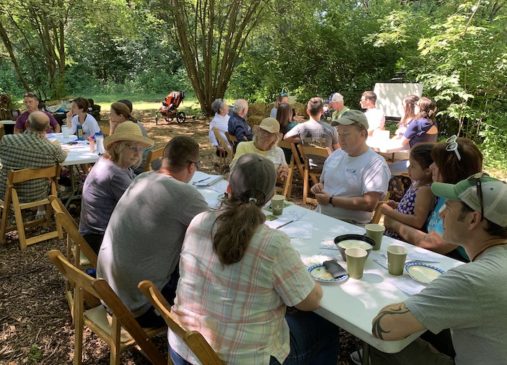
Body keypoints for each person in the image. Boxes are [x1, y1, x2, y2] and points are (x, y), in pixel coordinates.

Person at [169, 154, 339, 365]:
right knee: (326, 328)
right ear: (269, 197)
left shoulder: (199, 222)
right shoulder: (272, 243)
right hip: (237, 359)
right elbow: (309, 302)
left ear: (228, 188)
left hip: (184, 348)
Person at [370, 174, 507, 365]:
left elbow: (384, 326)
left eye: (449, 206)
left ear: (473, 219)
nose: (441, 213)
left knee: (380, 344)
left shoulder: (471, 279)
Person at [96, 136, 208, 327]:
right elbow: (217, 233)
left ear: (165, 160)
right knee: (203, 269)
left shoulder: (142, 178)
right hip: (139, 306)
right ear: (191, 167)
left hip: (107, 291)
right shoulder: (187, 195)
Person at [384, 136, 483, 262]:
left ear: (450, 170)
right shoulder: (443, 191)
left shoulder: (466, 202)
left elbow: (433, 244)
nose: (430, 167)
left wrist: (393, 223)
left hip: (455, 263)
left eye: (436, 163)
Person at [79, 121, 154, 253]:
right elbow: (139, 208)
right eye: (132, 148)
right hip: (100, 238)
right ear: (118, 147)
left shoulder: (111, 161)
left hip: (95, 231)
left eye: (140, 149)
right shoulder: (115, 173)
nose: (137, 154)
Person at [311, 110, 390, 224]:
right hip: (321, 216)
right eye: (339, 133)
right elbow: (323, 184)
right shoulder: (336, 155)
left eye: (346, 134)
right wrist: (318, 188)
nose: (341, 139)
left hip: (350, 226)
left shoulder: (374, 163)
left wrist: (331, 200)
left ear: (363, 134)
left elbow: (368, 204)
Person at [0, 111, 66, 202]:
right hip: (37, 195)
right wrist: (51, 143)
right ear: (47, 128)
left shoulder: (7, 140)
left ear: (26, 123)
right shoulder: (52, 148)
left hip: (6, 193)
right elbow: (62, 157)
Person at [382, 143, 435, 239]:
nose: (408, 168)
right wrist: (397, 205)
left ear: (427, 171)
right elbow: (412, 208)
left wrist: (390, 212)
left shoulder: (424, 191)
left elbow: (418, 221)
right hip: (394, 233)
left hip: (401, 239)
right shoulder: (416, 183)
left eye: (413, 166)